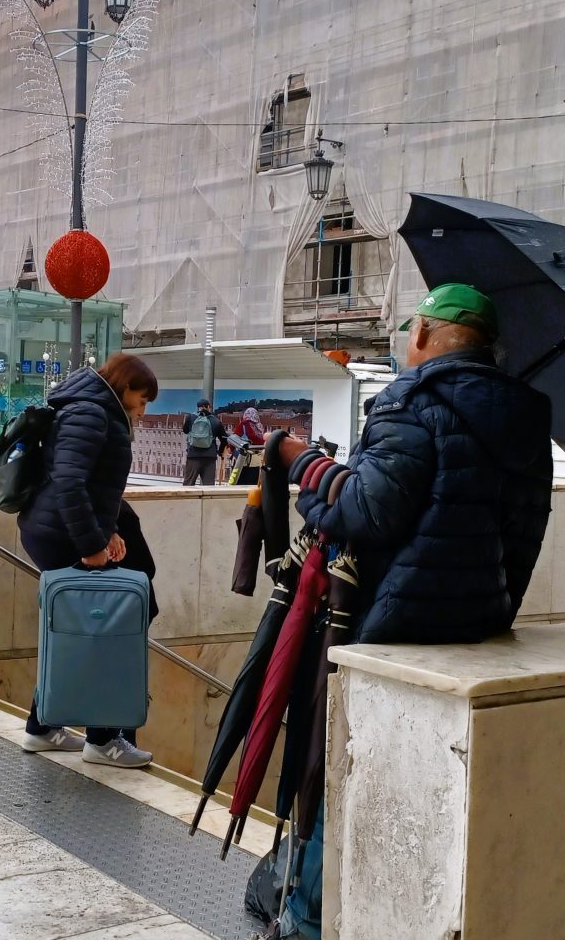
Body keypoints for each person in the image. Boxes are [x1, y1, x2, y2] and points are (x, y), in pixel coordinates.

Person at [270, 283, 553, 940]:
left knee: (333, 769)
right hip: (479, 619)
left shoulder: (410, 400)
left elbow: (365, 511)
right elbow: (526, 530)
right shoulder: (524, 416)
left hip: (388, 623)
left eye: (406, 332)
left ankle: (306, 918)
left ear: (423, 335)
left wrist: (302, 468)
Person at [17, 353, 160, 768]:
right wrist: (90, 546)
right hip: (62, 533)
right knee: (112, 620)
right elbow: (69, 483)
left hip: (62, 530)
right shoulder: (92, 412)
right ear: (123, 385)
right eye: (141, 396)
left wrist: (107, 531)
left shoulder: (92, 407)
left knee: (87, 626)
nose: (143, 407)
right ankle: (102, 738)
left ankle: (42, 727)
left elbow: (95, 485)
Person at [182, 398, 226, 486]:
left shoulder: (190, 417)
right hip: (209, 458)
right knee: (208, 487)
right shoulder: (216, 421)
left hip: (193, 456)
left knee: (188, 485)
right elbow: (224, 439)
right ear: (209, 407)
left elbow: (185, 430)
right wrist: (220, 452)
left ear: (198, 408)